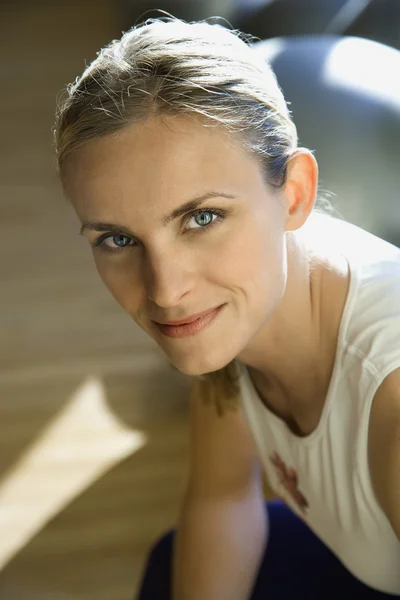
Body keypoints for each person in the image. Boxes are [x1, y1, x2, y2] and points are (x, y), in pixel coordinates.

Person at [53, 16, 400, 600]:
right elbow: (223, 496)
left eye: (202, 218)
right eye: (118, 239)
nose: (165, 290)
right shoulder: (242, 307)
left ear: (294, 193)